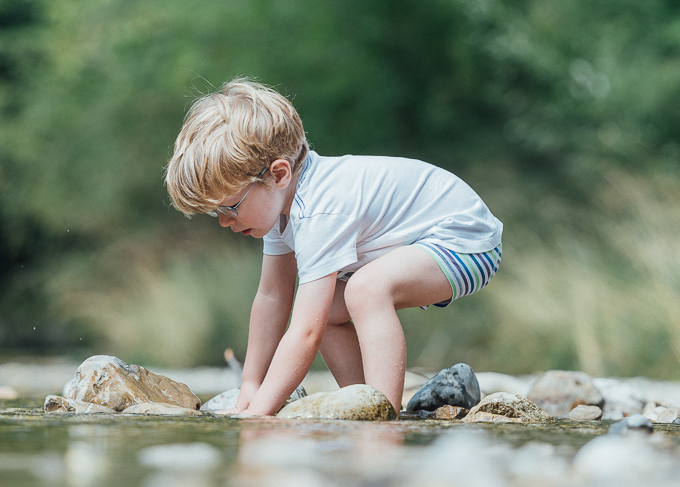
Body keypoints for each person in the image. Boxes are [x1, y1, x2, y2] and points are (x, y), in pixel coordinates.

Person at [164, 78, 503, 416]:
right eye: (215, 211)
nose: (224, 221)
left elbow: (305, 332)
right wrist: (251, 385)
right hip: (436, 241)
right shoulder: (280, 207)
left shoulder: (320, 209)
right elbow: (272, 298)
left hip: (466, 240)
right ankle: (361, 402)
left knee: (364, 290)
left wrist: (257, 414)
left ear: (279, 174)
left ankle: (382, 415)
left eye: (230, 207)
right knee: (329, 311)